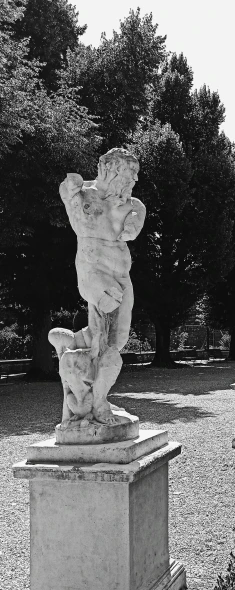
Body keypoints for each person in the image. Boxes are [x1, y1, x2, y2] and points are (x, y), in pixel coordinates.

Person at [54, 148, 146, 426]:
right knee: (105, 338)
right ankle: (96, 402)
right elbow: (66, 191)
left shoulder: (133, 205)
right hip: (95, 274)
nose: (134, 179)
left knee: (115, 342)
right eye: (130, 172)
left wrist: (132, 218)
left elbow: (132, 228)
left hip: (122, 277)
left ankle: (78, 359)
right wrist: (70, 186)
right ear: (109, 168)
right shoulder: (83, 194)